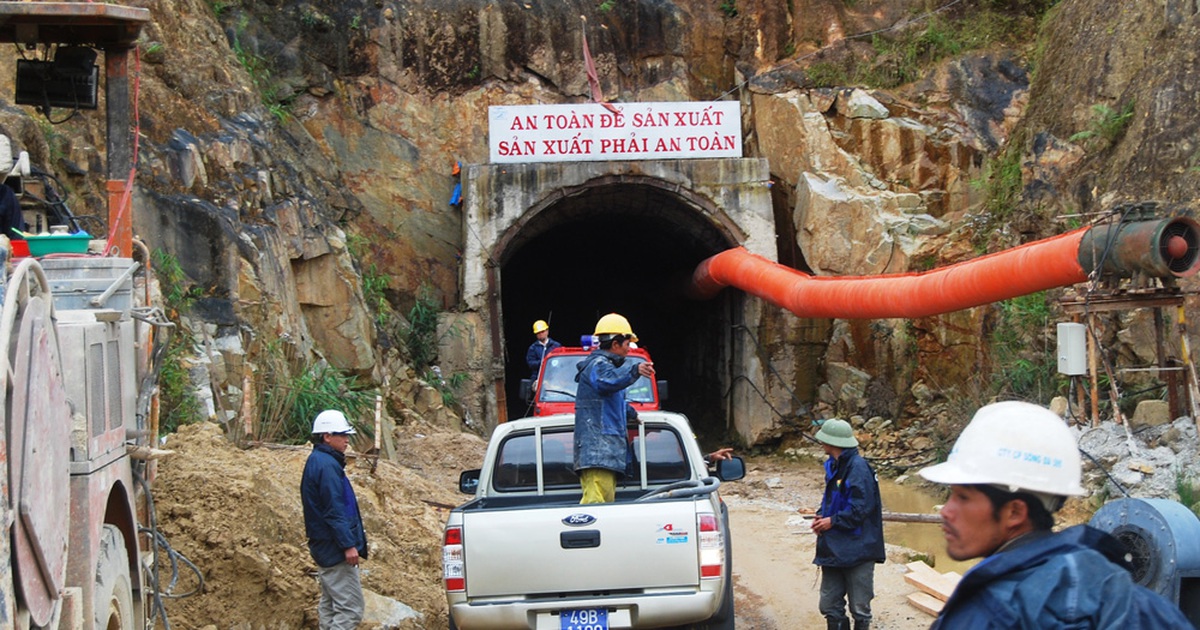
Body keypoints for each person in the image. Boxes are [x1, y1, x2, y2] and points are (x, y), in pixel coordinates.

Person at [918, 401, 1191, 629]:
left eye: (963, 497)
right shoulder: (1146, 609)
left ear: (1015, 512)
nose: (947, 511)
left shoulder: (986, 615)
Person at [810, 418, 885, 630]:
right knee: (829, 604)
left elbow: (861, 508)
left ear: (831, 442)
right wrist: (821, 516)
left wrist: (832, 521)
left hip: (859, 548)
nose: (821, 444)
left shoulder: (858, 469)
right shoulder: (835, 466)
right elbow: (833, 501)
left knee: (860, 607)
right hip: (834, 548)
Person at [573, 312, 655, 504]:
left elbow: (611, 400)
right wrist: (635, 370)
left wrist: (632, 414)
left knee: (605, 509)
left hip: (605, 456)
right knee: (595, 511)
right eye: (627, 344)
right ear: (615, 344)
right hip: (597, 455)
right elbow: (606, 382)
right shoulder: (598, 366)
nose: (628, 350)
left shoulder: (605, 367)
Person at [301, 409, 369, 630]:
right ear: (327, 436)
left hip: (325, 546)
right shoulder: (327, 466)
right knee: (350, 610)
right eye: (342, 435)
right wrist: (348, 544)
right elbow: (334, 510)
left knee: (330, 607)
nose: (347, 440)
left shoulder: (319, 461)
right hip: (334, 549)